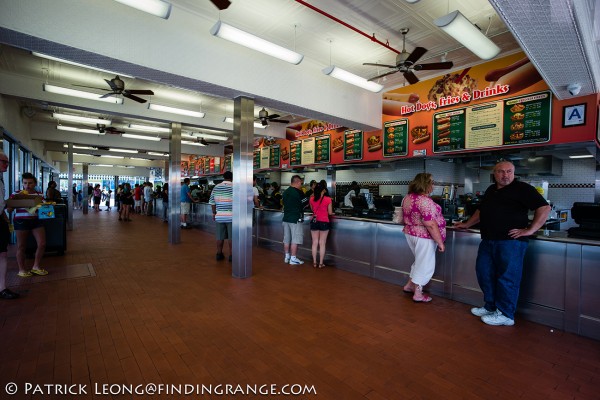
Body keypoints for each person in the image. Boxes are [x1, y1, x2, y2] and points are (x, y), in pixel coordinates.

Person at [454, 160, 550, 326]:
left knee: (507, 278)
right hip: (489, 240)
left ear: (514, 173)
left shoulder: (523, 189)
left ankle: (506, 314)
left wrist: (530, 229)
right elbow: (481, 210)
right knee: (484, 273)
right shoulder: (491, 189)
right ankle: (491, 307)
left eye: (509, 171)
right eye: (501, 171)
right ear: (494, 173)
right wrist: (467, 224)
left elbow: (544, 207)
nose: (505, 175)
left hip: (510, 243)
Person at [401, 173, 446, 303]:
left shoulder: (407, 197)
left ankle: (409, 286)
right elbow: (430, 224)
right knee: (425, 264)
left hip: (411, 233)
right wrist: (440, 242)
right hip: (424, 237)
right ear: (425, 184)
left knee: (419, 261)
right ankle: (418, 294)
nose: (433, 185)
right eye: (432, 182)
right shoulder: (425, 201)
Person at [9, 173, 48, 278]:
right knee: (21, 246)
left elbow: (44, 209)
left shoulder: (39, 195)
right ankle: (21, 269)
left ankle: (36, 266)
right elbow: (9, 209)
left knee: (42, 243)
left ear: (34, 183)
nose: (27, 185)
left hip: (36, 221)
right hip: (21, 221)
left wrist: (43, 207)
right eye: (25, 183)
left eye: (30, 183)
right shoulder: (16, 193)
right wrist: (13, 204)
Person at [0, 151, 18, 299]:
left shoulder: (1, 179)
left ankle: (2, 287)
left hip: (0, 219)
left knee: (3, 254)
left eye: (7, 162)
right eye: (4, 161)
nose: (6, 165)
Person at [282, 175, 308, 265]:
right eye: (301, 183)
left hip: (286, 218)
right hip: (296, 218)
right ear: (297, 182)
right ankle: (293, 258)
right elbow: (306, 204)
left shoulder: (285, 192)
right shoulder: (299, 192)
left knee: (286, 239)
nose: (301, 184)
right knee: (295, 239)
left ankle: (287, 256)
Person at [209, 171, 233, 261]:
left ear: (223, 177)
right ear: (232, 177)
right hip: (232, 216)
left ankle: (219, 254)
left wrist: (214, 213)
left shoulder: (216, 187)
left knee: (219, 236)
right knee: (232, 237)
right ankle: (231, 256)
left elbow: (212, 202)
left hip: (219, 216)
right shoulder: (235, 187)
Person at [309, 182, 333, 268]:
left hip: (314, 221)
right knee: (322, 243)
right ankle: (321, 263)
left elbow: (313, 210)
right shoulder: (328, 199)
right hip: (324, 221)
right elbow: (330, 213)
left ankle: (314, 262)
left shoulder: (311, 199)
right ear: (323, 189)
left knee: (314, 242)